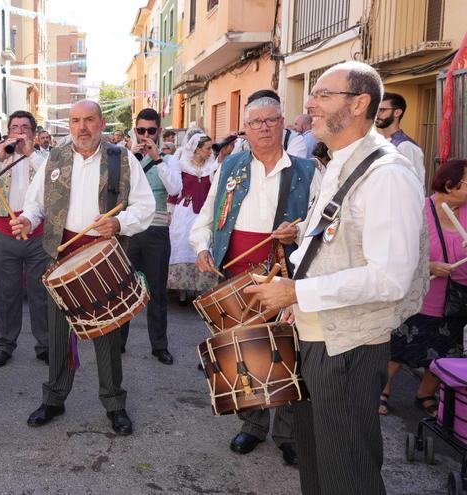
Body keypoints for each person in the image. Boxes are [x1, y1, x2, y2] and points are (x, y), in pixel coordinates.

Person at [245, 61, 426, 495]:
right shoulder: (337, 166)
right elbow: (328, 247)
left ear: (360, 103)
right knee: (317, 465)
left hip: (347, 348)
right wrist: (294, 300)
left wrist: (296, 290)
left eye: (323, 94)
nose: (309, 104)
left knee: (348, 474)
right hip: (317, 337)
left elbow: (390, 278)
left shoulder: (388, 175)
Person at [11, 100, 154, 436]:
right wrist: (28, 221)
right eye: (75, 121)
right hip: (61, 255)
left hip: (102, 256)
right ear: (69, 125)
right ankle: (54, 398)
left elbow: (146, 207)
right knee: (59, 334)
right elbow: (35, 205)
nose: (82, 127)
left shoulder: (122, 159)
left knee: (106, 333)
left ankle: (115, 404)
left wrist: (119, 223)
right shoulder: (54, 159)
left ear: (101, 123)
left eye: (89, 120)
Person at [192, 93, 317, 466]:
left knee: (289, 351)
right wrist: (201, 246)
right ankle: (253, 424)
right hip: (237, 273)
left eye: (271, 120)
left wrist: (297, 233)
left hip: (285, 273)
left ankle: (288, 433)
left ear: (284, 124)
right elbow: (210, 213)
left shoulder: (308, 170)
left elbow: (322, 224)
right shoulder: (230, 166)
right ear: (244, 129)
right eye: (255, 123)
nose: (263, 128)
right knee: (245, 352)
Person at [380, 159, 467, 417]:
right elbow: (395, 250)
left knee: (445, 348)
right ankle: (382, 391)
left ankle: (425, 394)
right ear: (450, 185)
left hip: (458, 297)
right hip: (421, 293)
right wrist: (429, 266)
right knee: (398, 346)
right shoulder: (418, 209)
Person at [0, 111, 51, 368]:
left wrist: (31, 155)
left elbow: (54, 182)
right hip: (5, 234)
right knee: (6, 294)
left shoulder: (44, 158)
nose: (19, 132)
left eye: (24, 127)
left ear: (33, 132)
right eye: (14, 127)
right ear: (7, 131)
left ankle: (46, 344)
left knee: (40, 293)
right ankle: (5, 343)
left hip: (38, 235)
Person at [119, 108, 182, 363]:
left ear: (159, 132)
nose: (146, 135)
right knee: (122, 290)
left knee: (157, 291)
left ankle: (159, 346)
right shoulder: (124, 157)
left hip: (156, 230)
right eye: (141, 130)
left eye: (151, 131)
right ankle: (117, 342)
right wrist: (132, 157)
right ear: (135, 131)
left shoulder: (169, 161)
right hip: (129, 230)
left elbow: (175, 189)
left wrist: (157, 159)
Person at [169, 134, 218, 301]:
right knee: (183, 244)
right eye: (207, 148)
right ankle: (182, 290)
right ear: (197, 149)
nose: (210, 152)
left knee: (203, 245)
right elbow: (174, 191)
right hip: (184, 212)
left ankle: (200, 288)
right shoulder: (182, 166)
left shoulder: (212, 167)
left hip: (204, 213)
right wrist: (170, 212)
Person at [376, 92, 425, 186]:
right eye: (375, 110)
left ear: (397, 112)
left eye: (382, 110)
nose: (377, 114)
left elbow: (413, 183)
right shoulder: (379, 142)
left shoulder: (405, 146)